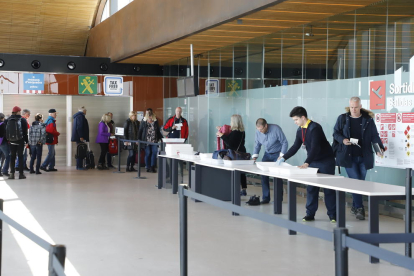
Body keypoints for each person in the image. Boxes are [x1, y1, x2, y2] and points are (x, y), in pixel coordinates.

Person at [279, 106, 337, 223]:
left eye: (296, 120)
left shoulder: (315, 128)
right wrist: (283, 157)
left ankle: (333, 215)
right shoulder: (300, 130)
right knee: (311, 188)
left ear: (303, 117)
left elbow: (315, 147)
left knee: (328, 190)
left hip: (326, 161)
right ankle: (310, 214)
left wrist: (307, 162)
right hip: (313, 161)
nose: (295, 122)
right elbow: (296, 146)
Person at [333, 97, 384, 220]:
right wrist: (343, 140)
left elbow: (374, 136)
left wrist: (379, 149)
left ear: (360, 106)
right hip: (348, 156)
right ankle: (360, 208)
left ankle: (355, 205)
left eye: (356, 107)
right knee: (356, 181)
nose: (353, 110)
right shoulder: (343, 118)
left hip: (364, 156)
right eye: (351, 107)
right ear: (349, 106)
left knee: (360, 183)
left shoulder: (367, 120)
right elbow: (335, 133)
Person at [252, 118, 288, 204]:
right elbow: (257, 144)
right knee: (264, 175)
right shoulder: (258, 132)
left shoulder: (276, 129)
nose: (260, 131)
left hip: (277, 154)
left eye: (261, 129)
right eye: (258, 129)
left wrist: (282, 156)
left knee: (277, 177)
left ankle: (278, 199)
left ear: (266, 126)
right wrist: (254, 156)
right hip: (267, 154)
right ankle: (265, 198)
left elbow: (284, 142)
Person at [217, 115, 248, 195]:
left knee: (234, 172)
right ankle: (243, 189)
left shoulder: (234, 132)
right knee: (242, 173)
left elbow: (230, 144)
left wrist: (222, 136)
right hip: (242, 153)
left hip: (234, 155)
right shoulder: (242, 131)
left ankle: (235, 190)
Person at [7, 106, 28, 179]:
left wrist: (8, 140)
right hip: (20, 141)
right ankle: (21, 174)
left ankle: (12, 174)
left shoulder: (8, 119)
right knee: (20, 157)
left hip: (11, 141)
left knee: (12, 157)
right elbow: (25, 132)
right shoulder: (22, 120)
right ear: (18, 112)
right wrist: (27, 141)